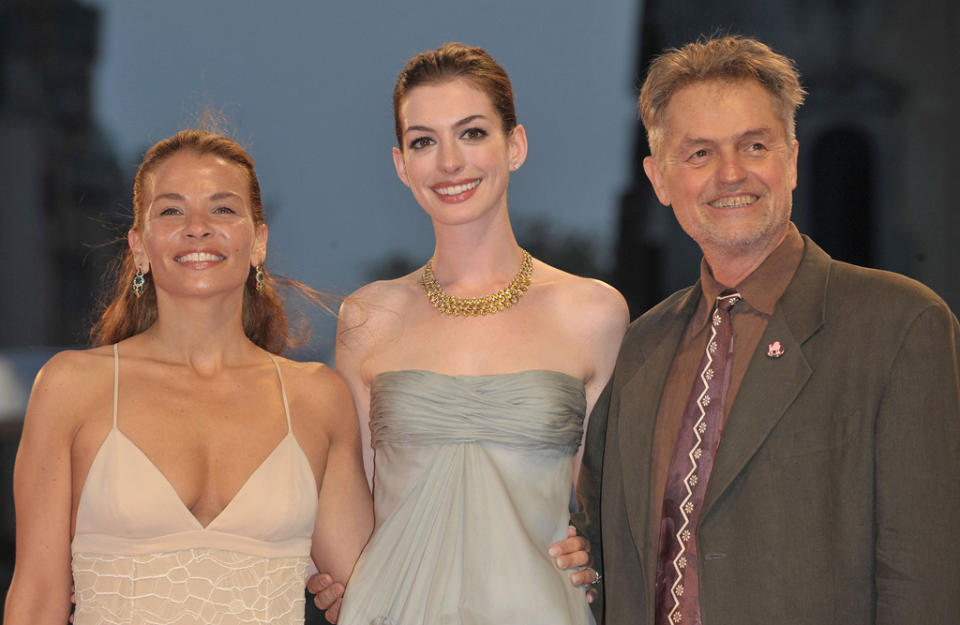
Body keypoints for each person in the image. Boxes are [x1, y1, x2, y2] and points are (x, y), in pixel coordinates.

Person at [574, 35, 960, 625]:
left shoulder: (902, 326)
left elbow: (925, 578)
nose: (731, 174)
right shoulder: (638, 347)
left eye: (754, 145)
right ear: (660, 179)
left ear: (792, 160)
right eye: (699, 154)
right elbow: (600, 553)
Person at [309, 43, 628, 625]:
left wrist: (599, 560)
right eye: (424, 141)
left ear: (516, 145)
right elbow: (352, 504)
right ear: (402, 164)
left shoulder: (594, 313)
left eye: (473, 133)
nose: (450, 162)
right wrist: (330, 578)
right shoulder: (366, 317)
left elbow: (616, 509)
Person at [3, 129, 373, 625]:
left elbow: (373, 594)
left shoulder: (316, 398)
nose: (198, 227)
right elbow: (36, 598)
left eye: (222, 209)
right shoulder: (72, 387)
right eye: (172, 210)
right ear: (139, 246)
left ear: (258, 241)